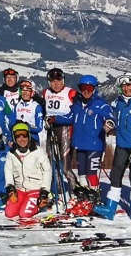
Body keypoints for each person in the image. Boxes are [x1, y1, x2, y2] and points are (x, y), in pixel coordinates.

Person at [47, 75, 113, 205]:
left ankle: (94, 196)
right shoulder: (77, 105)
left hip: (95, 145)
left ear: (94, 88)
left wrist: (109, 123)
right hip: (79, 144)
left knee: (91, 173)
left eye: (89, 88)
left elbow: (109, 116)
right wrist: (55, 119)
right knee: (82, 173)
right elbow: (69, 117)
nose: (86, 90)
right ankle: (85, 196)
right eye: (83, 88)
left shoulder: (100, 104)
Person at [94, 73, 131, 221]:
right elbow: (112, 116)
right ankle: (110, 207)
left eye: (129, 85)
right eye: (123, 86)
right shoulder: (117, 102)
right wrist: (110, 123)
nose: (126, 89)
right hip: (122, 145)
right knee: (115, 174)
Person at [39, 68, 78, 188]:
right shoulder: (45, 93)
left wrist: (56, 119)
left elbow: (75, 115)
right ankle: (58, 189)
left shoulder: (71, 93)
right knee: (52, 164)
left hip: (65, 131)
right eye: (53, 81)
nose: (56, 84)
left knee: (65, 167)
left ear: (63, 80)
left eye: (59, 81)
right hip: (51, 131)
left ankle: (75, 190)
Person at [4, 122, 52, 219]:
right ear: (14, 137)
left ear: (29, 135)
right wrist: (10, 186)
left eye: (24, 135)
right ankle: (25, 202)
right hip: (20, 189)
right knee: (9, 213)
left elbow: (47, 170)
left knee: (24, 214)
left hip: (35, 189)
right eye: (18, 135)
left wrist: (44, 191)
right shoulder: (12, 153)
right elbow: (8, 169)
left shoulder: (38, 151)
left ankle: (39, 205)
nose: (22, 139)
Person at [8, 79, 44, 146]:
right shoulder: (17, 106)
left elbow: (39, 128)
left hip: (32, 139)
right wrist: (10, 138)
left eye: (28, 90)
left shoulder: (37, 107)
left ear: (32, 92)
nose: (25, 93)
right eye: (23, 90)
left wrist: (25, 126)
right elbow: (11, 124)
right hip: (18, 138)